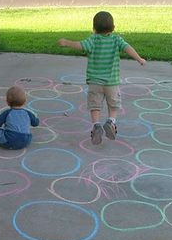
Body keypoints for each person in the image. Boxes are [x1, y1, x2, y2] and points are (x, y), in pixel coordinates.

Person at [58, 11, 146, 145]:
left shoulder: (92, 39)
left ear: (94, 29)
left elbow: (80, 45)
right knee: (114, 105)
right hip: (111, 82)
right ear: (113, 27)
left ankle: (96, 125)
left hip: (95, 82)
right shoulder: (116, 39)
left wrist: (66, 42)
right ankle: (111, 121)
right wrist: (139, 59)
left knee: (95, 106)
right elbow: (128, 48)